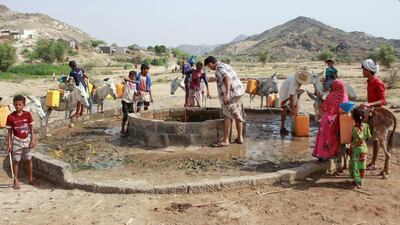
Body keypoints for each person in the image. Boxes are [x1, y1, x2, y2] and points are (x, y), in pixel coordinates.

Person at [204, 56, 245, 147]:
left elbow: (227, 77)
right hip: (239, 92)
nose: (209, 68)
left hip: (231, 94)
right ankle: (240, 138)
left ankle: (226, 140)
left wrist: (227, 94)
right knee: (237, 114)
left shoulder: (219, 69)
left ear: (210, 64)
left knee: (227, 116)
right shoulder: (225, 65)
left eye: (208, 67)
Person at [360, 59, 387, 170]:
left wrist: (370, 104)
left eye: (363, 70)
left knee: (375, 138)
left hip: (377, 114)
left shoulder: (378, 83)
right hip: (370, 112)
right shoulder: (369, 82)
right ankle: (369, 159)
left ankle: (374, 163)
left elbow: (383, 101)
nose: (362, 71)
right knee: (369, 136)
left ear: (369, 71)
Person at [313, 80, 349, 161]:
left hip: (325, 118)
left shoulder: (330, 95)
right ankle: (330, 154)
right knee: (333, 137)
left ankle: (320, 155)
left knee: (323, 137)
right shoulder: (343, 96)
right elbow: (345, 109)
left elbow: (323, 107)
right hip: (334, 119)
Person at [6, 95, 36, 190]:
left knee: (28, 160)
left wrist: (33, 139)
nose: (17, 106)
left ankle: (30, 179)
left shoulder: (28, 115)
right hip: (17, 141)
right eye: (15, 105)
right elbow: (10, 132)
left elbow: (31, 128)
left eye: (19, 105)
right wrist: (9, 144)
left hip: (27, 140)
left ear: (23, 105)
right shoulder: (10, 117)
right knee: (16, 161)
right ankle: (16, 181)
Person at [349, 107, 371, 189]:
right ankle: (360, 182)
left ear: (353, 118)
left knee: (355, 166)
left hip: (356, 149)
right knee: (362, 166)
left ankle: (357, 183)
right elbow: (368, 137)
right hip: (364, 149)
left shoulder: (354, 129)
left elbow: (353, 139)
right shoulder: (366, 126)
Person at [120, 71, 137, 136]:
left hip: (131, 102)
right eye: (132, 76)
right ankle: (122, 129)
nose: (133, 77)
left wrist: (137, 94)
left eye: (134, 76)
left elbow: (134, 92)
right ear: (129, 76)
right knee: (126, 115)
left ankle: (127, 130)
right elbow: (125, 78)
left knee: (131, 116)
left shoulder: (134, 85)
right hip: (125, 101)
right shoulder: (127, 82)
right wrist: (134, 81)